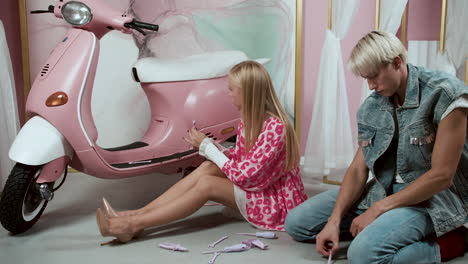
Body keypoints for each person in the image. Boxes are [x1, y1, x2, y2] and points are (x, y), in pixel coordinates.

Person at [285, 30, 468, 263]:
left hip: (432, 199)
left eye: (374, 76)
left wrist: (377, 210)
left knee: (363, 255)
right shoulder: (372, 107)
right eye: (365, 79)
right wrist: (333, 221)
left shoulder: (445, 94)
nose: (371, 86)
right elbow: (358, 170)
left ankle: (454, 240)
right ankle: (381, 232)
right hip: (384, 191)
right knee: (297, 224)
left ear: (397, 62)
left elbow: (442, 177)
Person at [96, 60, 308, 243]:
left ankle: (133, 224)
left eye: (232, 89)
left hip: (274, 203)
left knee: (208, 184)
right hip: (258, 188)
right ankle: (137, 215)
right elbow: (241, 158)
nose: (228, 93)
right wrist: (210, 149)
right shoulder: (248, 121)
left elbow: (246, 176)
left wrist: (207, 146)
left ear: (247, 93)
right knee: (208, 166)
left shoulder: (275, 128)